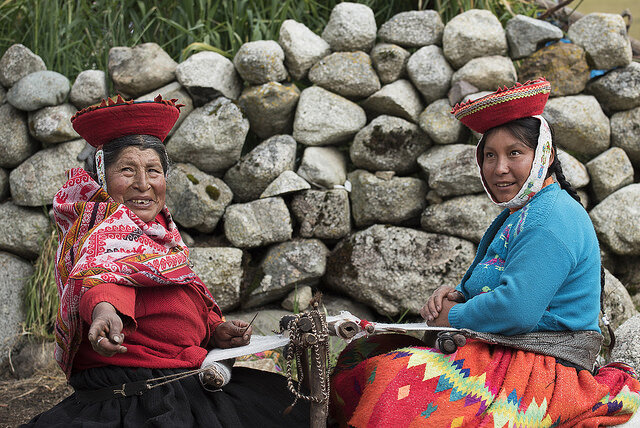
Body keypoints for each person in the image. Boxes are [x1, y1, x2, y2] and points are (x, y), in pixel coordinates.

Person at [329, 78, 640, 427]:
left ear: (545, 156)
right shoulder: (520, 212)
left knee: (395, 379)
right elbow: (495, 284)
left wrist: (454, 317)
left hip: (543, 369)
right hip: (508, 352)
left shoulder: (552, 217)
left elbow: (517, 308)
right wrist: (455, 296)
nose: (499, 168)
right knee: (366, 357)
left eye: (515, 153)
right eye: (490, 155)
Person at [23, 95, 309, 427]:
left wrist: (215, 331)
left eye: (153, 171)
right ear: (103, 178)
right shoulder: (108, 230)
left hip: (179, 374)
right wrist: (104, 314)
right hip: (141, 393)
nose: (143, 184)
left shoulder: (158, 237)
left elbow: (172, 304)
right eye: (127, 170)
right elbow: (105, 279)